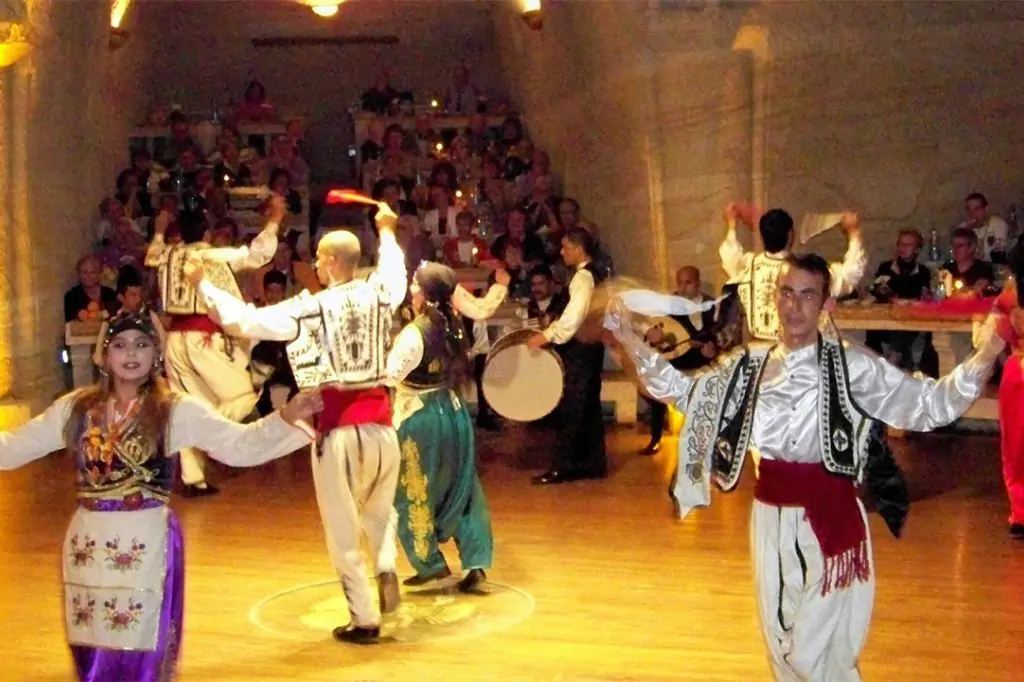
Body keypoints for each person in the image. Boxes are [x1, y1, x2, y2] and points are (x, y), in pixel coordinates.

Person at [605, 253, 1007, 682]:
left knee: (816, 651)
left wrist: (988, 352)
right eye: (786, 292)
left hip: (834, 525)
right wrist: (627, 336)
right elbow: (683, 392)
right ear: (774, 297)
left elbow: (930, 406)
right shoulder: (747, 366)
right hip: (771, 523)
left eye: (807, 295)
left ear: (825, 306)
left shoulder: (854, 365)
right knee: (780, 645)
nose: (793, 306)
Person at [0, 311, 320, 682]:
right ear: (104, 354)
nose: (131, 353)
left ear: (157, 352)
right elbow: (12, 448)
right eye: (119, 345)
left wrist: (285, 417)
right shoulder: (76, 409)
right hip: (88, 542)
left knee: (140, 643)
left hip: (145, 538)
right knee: (92, 647)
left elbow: (238, 446)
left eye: (142, 344)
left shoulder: (175, 409)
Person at [185, 204, 406, 645]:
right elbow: (395, 267)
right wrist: (386, 230)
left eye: (320, 259)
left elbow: (244, 320)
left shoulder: (314, 307)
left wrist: (203, 285)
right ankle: (386, 564)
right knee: (380, 509)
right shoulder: (382, 292)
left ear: (328, 262)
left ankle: (364, 618)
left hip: (338, 426)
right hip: (383, 426)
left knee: (341, 527)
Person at [145, 192, 282, 497]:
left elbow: (151, 254)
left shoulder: (166, 254)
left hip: (176, 342)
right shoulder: (209, 255)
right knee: (245, 392)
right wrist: (273, 221)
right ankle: (209, 436)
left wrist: (158, 228)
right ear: (205, 233)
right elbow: (255, 255)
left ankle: (194, 479)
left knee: (188, 405)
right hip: (202, 340)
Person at [387, 263, 493, 592]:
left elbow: (390, 374)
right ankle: (476, 561)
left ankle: (430, 563)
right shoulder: (456, 325)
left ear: (421, 291)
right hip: (454, 410)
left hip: (422, 418)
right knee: (463, 487)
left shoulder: (416, 333)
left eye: (415, 285)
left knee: (413, 489)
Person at [527, 228, 607, 484]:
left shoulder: (583, 277)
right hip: (593, 346)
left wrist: (548, 335)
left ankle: (564, 466)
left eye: (565, 247)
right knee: (589, 406)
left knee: (573, 406)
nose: (561, 252)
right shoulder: (600, 272)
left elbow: (574, 317)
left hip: (581, 348)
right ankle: (593, 462)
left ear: (577, 248)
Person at [720, 204, 865, 341]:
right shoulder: (806, 272)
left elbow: (729, 255)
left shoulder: (748, 267)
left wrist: (732, 224)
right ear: (790, 235)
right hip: (798, 354)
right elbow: (850, 274)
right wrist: (853, 232)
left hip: (761, 355)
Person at [640, 266, 721, 454]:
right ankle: (656, 437)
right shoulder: (669, 306)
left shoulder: (711, 305)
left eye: (688, 283)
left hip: (703, 357)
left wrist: (713, 349)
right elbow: (660, 334)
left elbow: (720, 333)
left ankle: (711, 437)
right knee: (656, 378)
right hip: (676, 357)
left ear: (698, 283)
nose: (683, 288)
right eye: (680, 283)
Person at [993, 243, 1024, 538]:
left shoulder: (1009, 297)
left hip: (1018, 372)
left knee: (1016, 448)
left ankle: (1021, 514)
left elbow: (998, 333)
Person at [92, 265, 166, 367]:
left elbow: (163, 343)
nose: (138, 299)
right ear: (121, 297)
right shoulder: (112, 320)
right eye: (133, 295)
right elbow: (99, 356)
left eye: (140, 294)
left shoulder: (150, 317)